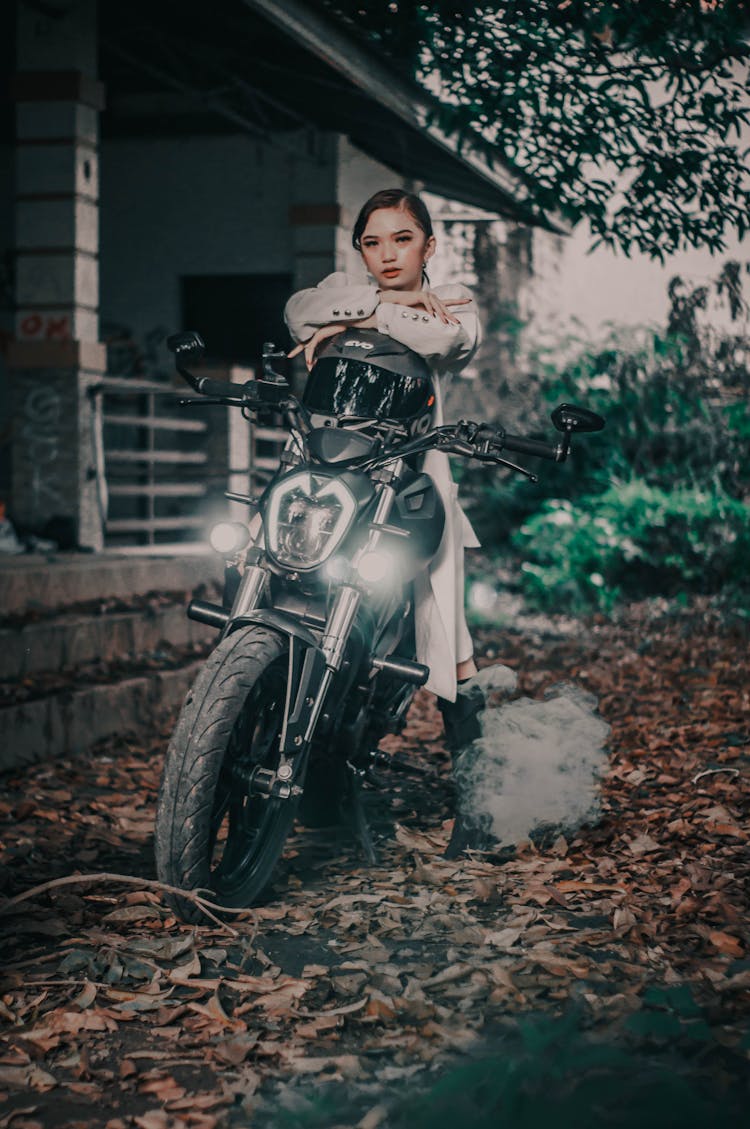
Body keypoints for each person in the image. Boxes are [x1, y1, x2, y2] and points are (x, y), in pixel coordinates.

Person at [284, 187, 485, 752]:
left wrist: (357, 318)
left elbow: (444, 338)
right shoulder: (342, 291)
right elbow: (298, 310)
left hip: (413, 481)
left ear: (429, 246)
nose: (388, 254)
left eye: (403, 239)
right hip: (334, 471)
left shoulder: (454, 300)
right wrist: (381, 310)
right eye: (372, 243)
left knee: (448, 630)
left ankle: (477, 804)